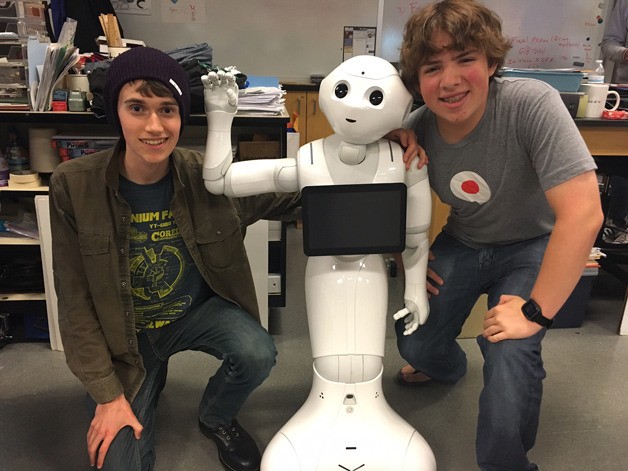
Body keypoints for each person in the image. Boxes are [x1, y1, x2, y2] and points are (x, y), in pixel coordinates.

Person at [49, 47, 299, 471]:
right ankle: (146, 377)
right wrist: (108, 396)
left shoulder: (208, 178)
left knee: (256, 352)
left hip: (193, 313)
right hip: (127, 336)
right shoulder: (73, 186)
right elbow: (74, 304)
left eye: (167, 109)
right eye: (137, 108)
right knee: (122, 463)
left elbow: (289, 193)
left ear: (181, 115)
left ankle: (215, 415)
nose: (154, 126)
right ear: (116, 113)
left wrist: (368, 150)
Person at [391, 1, 603, 470]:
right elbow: (385, 208)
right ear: (417, 80)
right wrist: (411, 260)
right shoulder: (417, 129)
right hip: (464, 240)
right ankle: (448, 366)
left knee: (509, 351)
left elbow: (584, 214)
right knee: (415, 339)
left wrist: (534, 312)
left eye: (465, 59)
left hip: (533, 244)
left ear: (490, 61)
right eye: (432, 67)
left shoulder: (531, 104)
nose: (449, 80)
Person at [600, 0, 628, 245]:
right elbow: (608, 45)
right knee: (621, 159)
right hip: (625, 95)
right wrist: (625, 54)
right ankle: (616, 223)